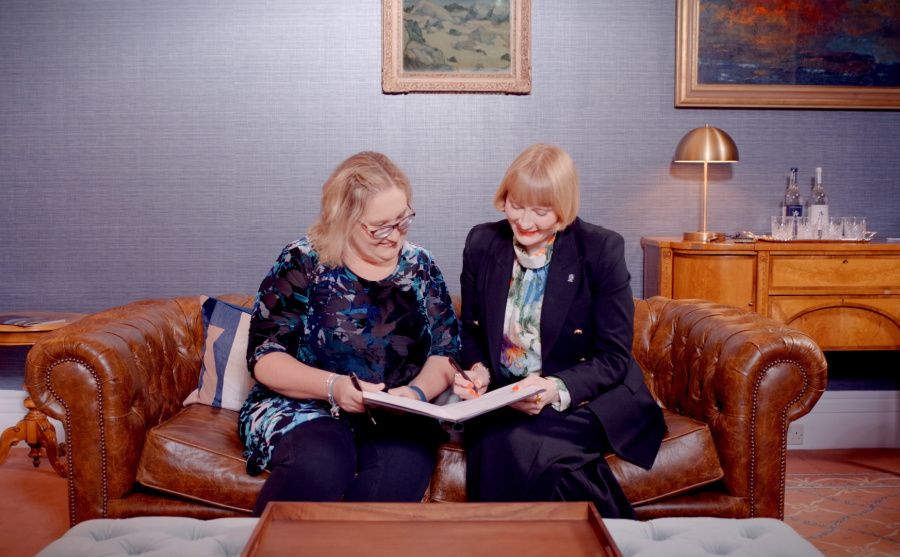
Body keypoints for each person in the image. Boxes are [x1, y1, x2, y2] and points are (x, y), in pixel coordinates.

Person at [239, 151, 460, 515]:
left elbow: (445, 353)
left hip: (396, 416)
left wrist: (415, 393)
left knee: (395, 480)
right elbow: (265, 357)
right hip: (305, 407)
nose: (395, 235)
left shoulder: (420, 266)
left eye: (403, 219)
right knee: (321, 463)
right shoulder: (304, 260)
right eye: (380, 227)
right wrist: (334, 387)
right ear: (344, 219)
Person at [454, 143, 665, 518]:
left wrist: (553, 389)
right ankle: (622, 541)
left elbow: (614, 356)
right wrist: (478, 371)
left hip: (587, 397)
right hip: (507, 399)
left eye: (541, 210)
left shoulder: (600, 249)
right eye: (515, 205)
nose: (525, 221)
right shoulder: (483, 243)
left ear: (564, 208)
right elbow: (468, 333)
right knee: (495, 433)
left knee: (512, 441)